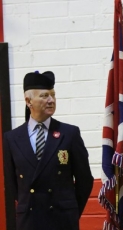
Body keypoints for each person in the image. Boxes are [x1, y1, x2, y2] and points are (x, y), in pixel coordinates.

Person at [3, 71, 94, 230]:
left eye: (53, 95)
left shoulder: (69, 134)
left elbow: (85, 179)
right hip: (29, 222)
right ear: (28, 101)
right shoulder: (12, 138)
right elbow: (11, 185)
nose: (51, 100)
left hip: (62, 221)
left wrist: (70, 212)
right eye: (44, 96)